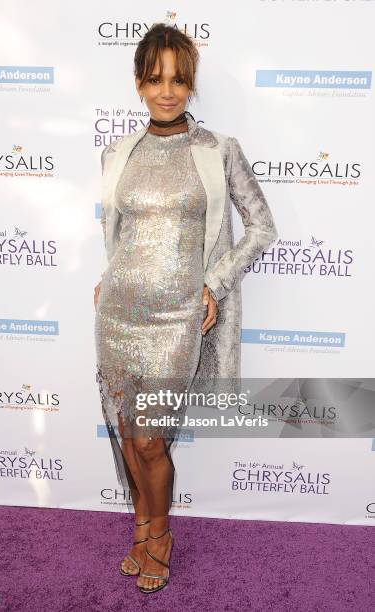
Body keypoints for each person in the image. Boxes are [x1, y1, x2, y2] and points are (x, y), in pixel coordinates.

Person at [94, 23, 277, 594]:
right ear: (139, 84)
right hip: (119, 311)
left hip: (177, 318)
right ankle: (140, 527)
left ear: (191, 83)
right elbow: (122, 232)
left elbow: (263, 227)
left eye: (178, 79)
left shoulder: (218, 151)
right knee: (126, 432)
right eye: (155, 79)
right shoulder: (117, 152)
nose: (167, 91)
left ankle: (161, 536)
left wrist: (215, 284)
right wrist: (107, 278)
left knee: (151, 438)